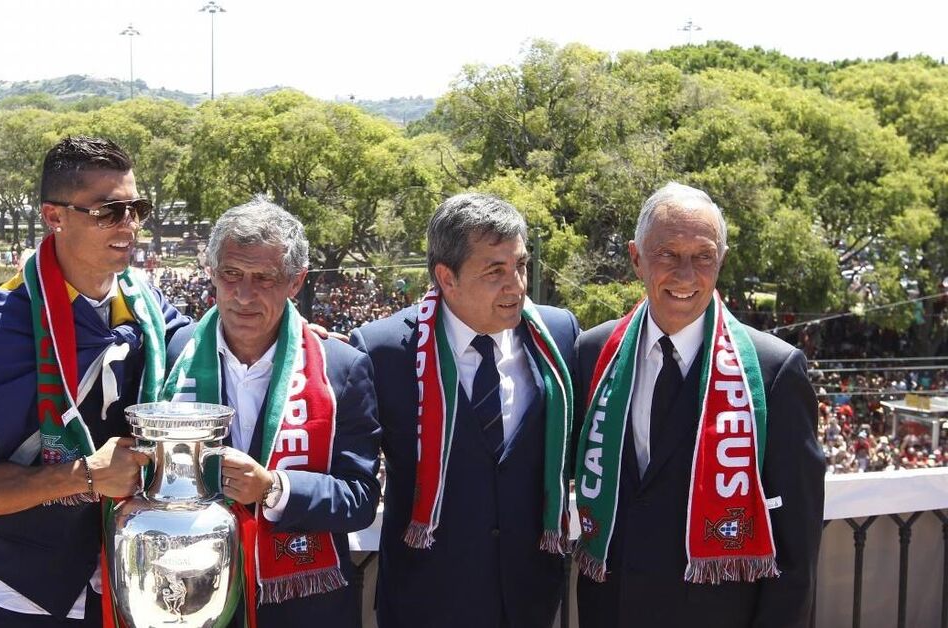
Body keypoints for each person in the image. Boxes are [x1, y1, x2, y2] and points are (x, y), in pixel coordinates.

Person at [0, 136, 188, 626]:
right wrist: (85, 476)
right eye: (108, 211)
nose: (129, 225)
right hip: (18, 597)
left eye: (137, 209)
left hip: (124, 585)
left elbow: (209, 347)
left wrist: (291, 333)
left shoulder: (148, 309)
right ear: (54, 216)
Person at [570, 182, 824, 628]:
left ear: (721, 260)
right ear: (636, 259)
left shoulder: (773, 371)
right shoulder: (593, 353)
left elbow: (795, 550)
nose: (686, 275)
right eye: (667, 254)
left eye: (703, 256)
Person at [350, 193, 580, 628]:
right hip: (425, 601)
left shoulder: (560, 334)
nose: (517, 286)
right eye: (495, 271)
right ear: (446, 277)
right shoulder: (382, 350)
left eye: (521, 265)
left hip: (529, 600)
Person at [161, 198, 381, 627]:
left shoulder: (340, 367)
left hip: (303, 606)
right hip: (190, 598)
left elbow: (360, 499)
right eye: (231, 274)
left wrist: (274, 489)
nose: (244, 295)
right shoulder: (173, 355)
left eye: (264, 278)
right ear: (211, 272)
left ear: (295, 282)